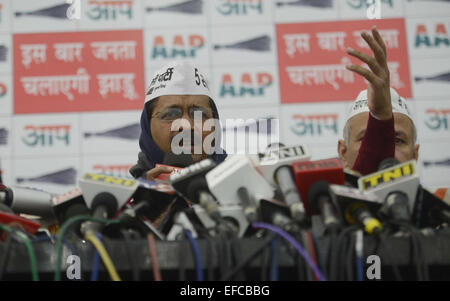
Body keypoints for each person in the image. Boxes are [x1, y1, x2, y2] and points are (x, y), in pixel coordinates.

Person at [337, 26, 419, 175]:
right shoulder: (323, 198)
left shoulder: (441, 198)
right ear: (343, 152)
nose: (386, 150)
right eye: (366, 138)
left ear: (415, 154)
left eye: (398, 141)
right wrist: (380, 117)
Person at [129, 61, 227, 180]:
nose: (187, 126)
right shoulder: (125, 197)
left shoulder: (247, 194)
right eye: (170, 114)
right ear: (147, 127)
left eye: (200, 115)